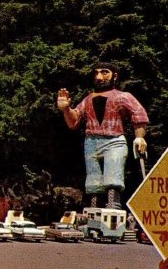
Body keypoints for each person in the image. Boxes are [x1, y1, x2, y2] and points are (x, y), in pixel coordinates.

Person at [57, 62, 149, 210]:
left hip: (114, 140)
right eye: (96, 73)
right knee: (93, 180)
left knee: (113, 175)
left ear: (115, 76)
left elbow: (138, 114)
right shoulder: (88, 99)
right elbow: (73, 122)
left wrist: (139, 136)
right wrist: (66, 109)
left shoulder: (122, 96)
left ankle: (113, 206)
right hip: (91, 142)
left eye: (104, 72)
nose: (99, 77)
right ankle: (94, 208)